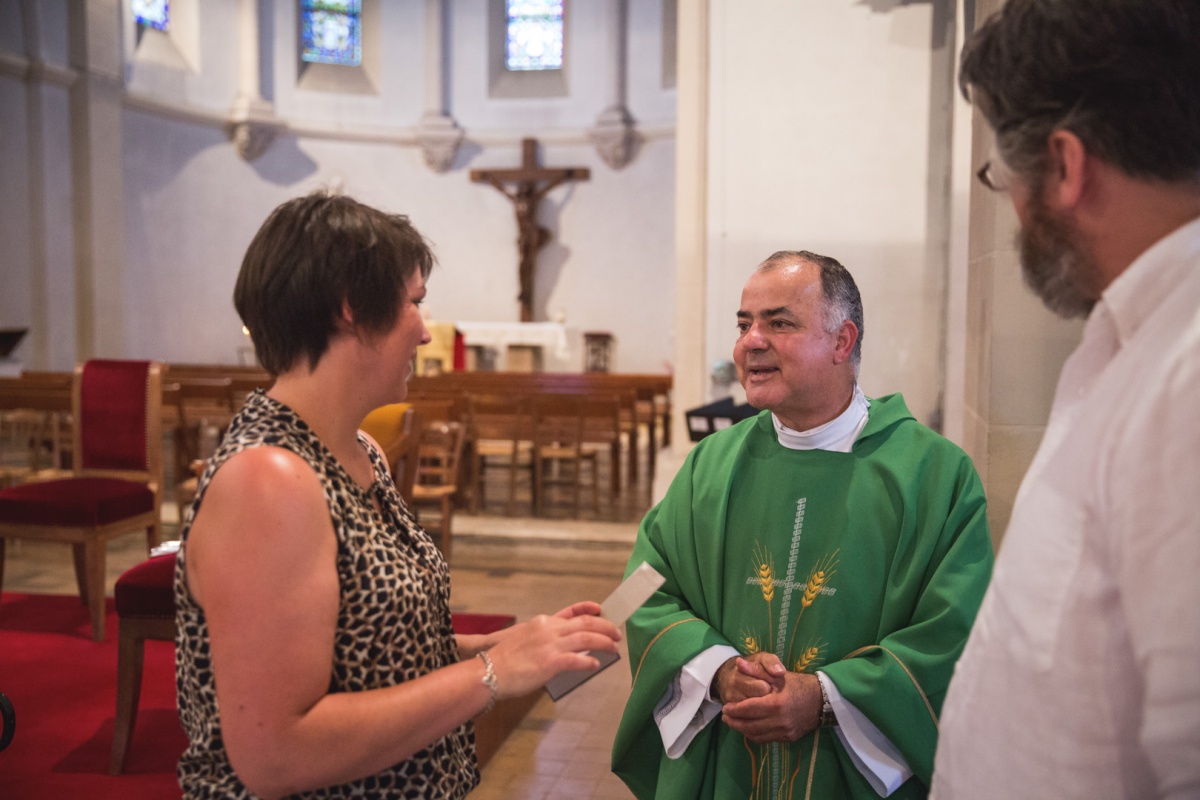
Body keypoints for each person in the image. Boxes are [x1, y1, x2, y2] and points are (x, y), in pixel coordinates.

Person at [173, 191, 620, 799]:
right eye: (415, 303)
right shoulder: (268, 481)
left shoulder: (360, 454)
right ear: (352, 308)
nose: (426, 332)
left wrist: (495, 647)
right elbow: (276, 754)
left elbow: (367, 645)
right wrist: (491, 675)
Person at [932, 2, 1200, 797]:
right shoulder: (1128, 337)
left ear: (1065, 165)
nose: (1010, 208)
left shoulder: (1188, 374)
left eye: (1005, 178)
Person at [612, 251, 994, 799]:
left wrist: (824, 697)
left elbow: (957, 633)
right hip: (728, 761)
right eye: (744, 324)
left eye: (779, 322)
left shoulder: (934, 476)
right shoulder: (709, 466)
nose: (751, 341)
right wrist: (718, 672)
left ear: (843, 341)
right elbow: (642, 589)